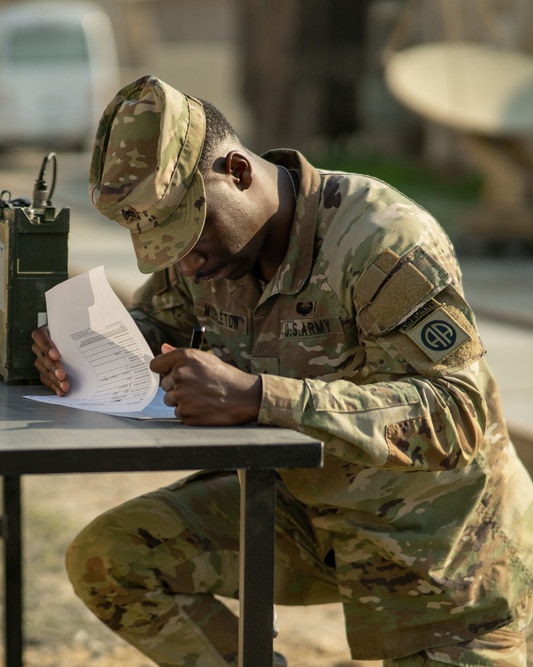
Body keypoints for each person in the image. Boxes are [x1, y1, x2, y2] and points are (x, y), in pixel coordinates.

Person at [31, 75, 533, 666]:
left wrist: (258, 397)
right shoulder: (207, 256)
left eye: (189, 237)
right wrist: (87, 351)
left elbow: (457, 415)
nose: (184, 263)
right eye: (163, 247)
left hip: (439, 548)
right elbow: (155, 324)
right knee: (113, 557)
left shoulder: (380, 240)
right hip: (302, 516)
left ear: (238, 173)